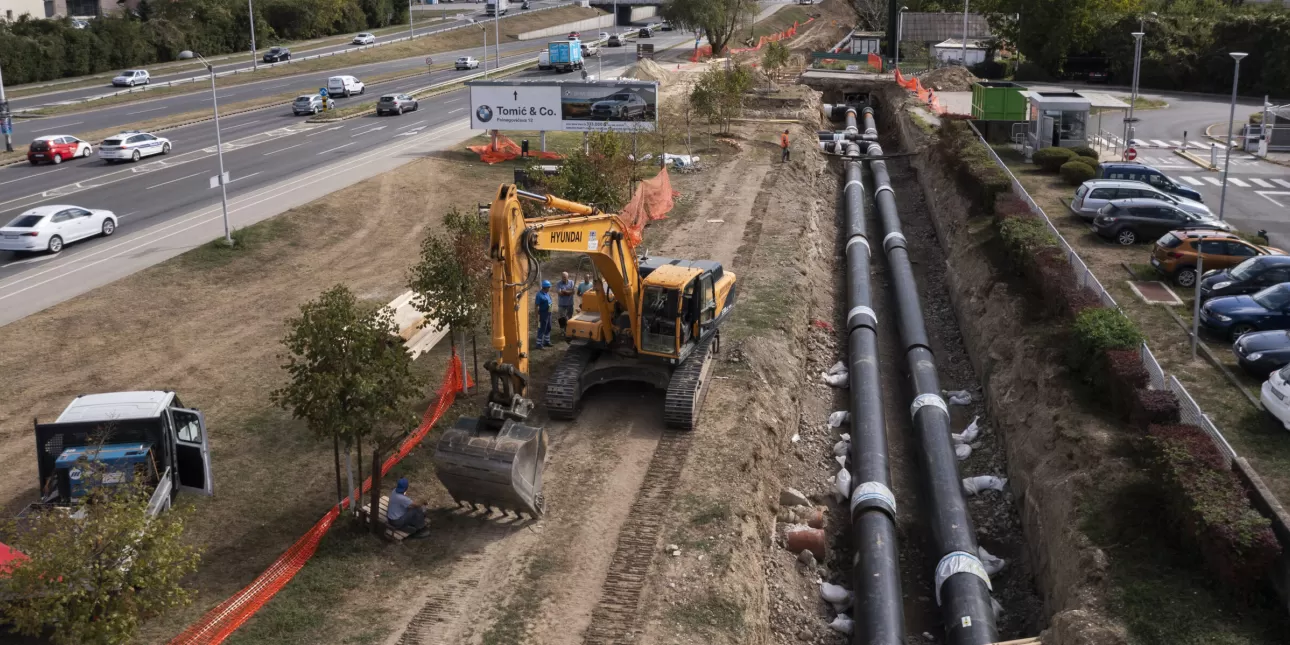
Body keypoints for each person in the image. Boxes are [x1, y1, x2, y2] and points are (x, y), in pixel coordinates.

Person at [556, 271, 576, 336]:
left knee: (569, 317)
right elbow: (560, 293)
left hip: (570, 303)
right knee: (562, 318)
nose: (563, 278)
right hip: (562, 304)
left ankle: (568, 330)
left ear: (567, 277)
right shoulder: (558, 283)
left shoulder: (572, 282)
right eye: (562, 277)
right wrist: (569, 292)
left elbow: (573, 292)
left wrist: (564, 291)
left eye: (565, 277)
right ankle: (562, 331)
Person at [535, 279, 553, 349]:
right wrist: (537, 317)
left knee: (548, 327)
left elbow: (550, 302)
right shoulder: (539, 295)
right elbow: (536, 306)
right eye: (549, 287)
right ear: (545, 287)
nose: (549, 288)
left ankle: (546, 341)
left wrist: (550, 312)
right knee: (541, 328)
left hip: (549, 313)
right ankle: (539, 344)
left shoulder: (547, 293)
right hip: (543, 314)